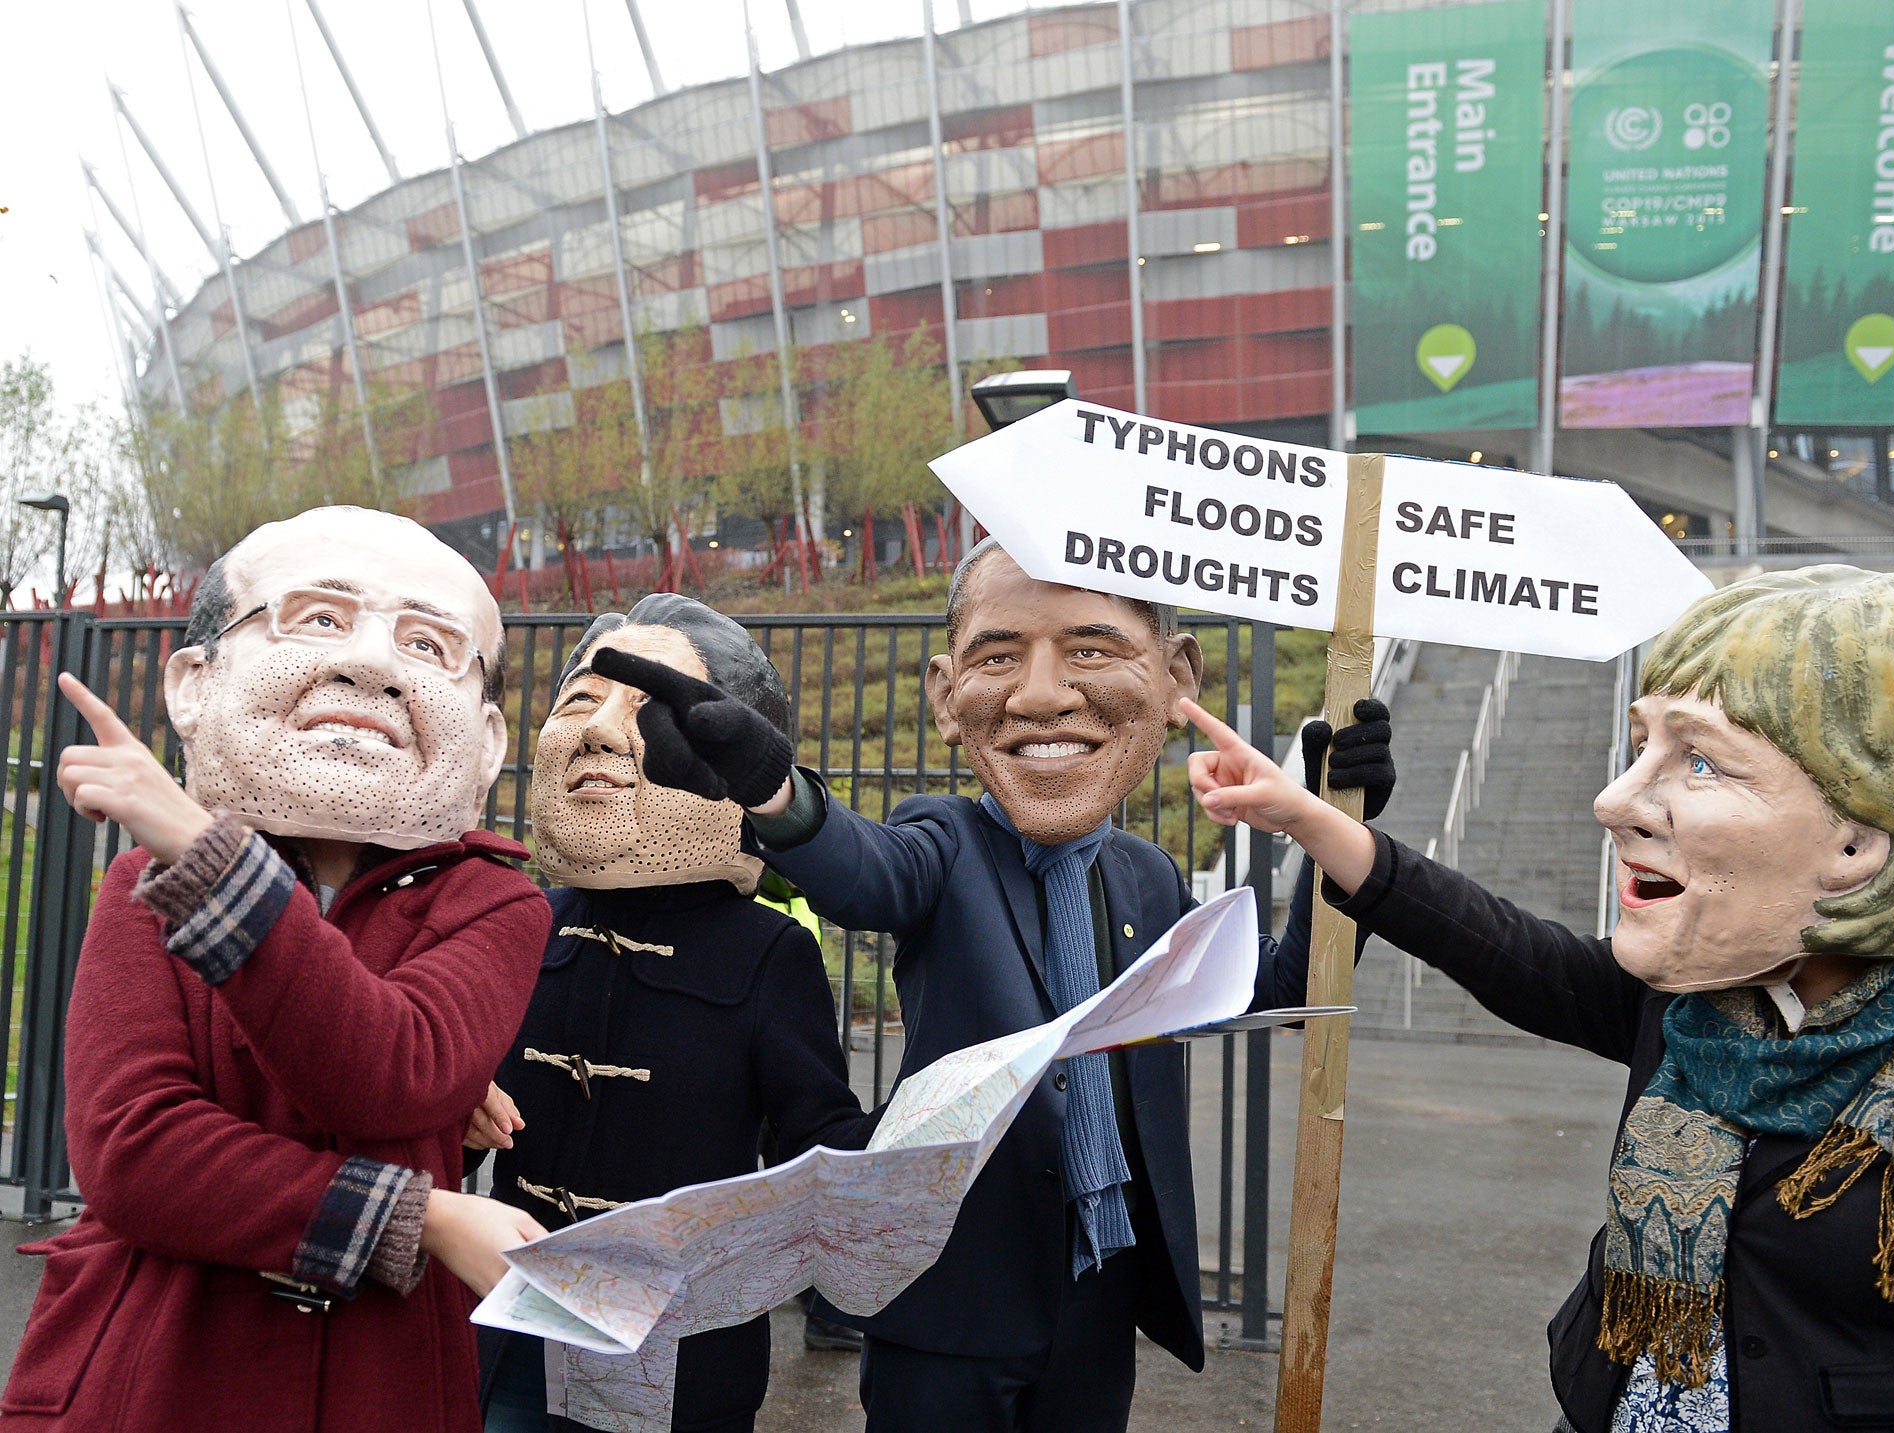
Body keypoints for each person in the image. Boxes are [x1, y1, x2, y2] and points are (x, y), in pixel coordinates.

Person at [1182, 566, 1894, 1432]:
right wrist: (1313, 817)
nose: (1615, 800)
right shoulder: (1681, 1008)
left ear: (1863, 839)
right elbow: (1500, 945)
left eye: (1701, 760)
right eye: (1642, 749)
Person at [584, 540, 1390, 1432]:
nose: (1041, 694)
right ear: (945, 695)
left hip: (1100, 1289)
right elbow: (862, 871)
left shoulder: (1150, 877)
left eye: (1090, 648)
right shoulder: (943, 843)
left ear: (1176, 678)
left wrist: (1329, 834)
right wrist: (777, 791)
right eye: (999, 656)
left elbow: (1264, 989)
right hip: (953, 1295)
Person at [0, 508, 553, 1433]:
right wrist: (423, 1218)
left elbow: (390, 1070)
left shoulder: (493, 904)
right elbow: (136, 1152)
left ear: (490, 740)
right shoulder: (145, 881)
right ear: (192, 681)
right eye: (321, 618)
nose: (372, 664)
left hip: (384, 1388)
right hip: (155, 1375)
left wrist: (206, 856)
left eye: (427, 642)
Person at [466, 595, 876, 1433]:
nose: (602, 729)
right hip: (518, 1330)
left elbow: (817, 1152)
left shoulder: (768, 951)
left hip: (683, 1347)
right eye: (580, 699)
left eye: (655, 709)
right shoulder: (518, 922)